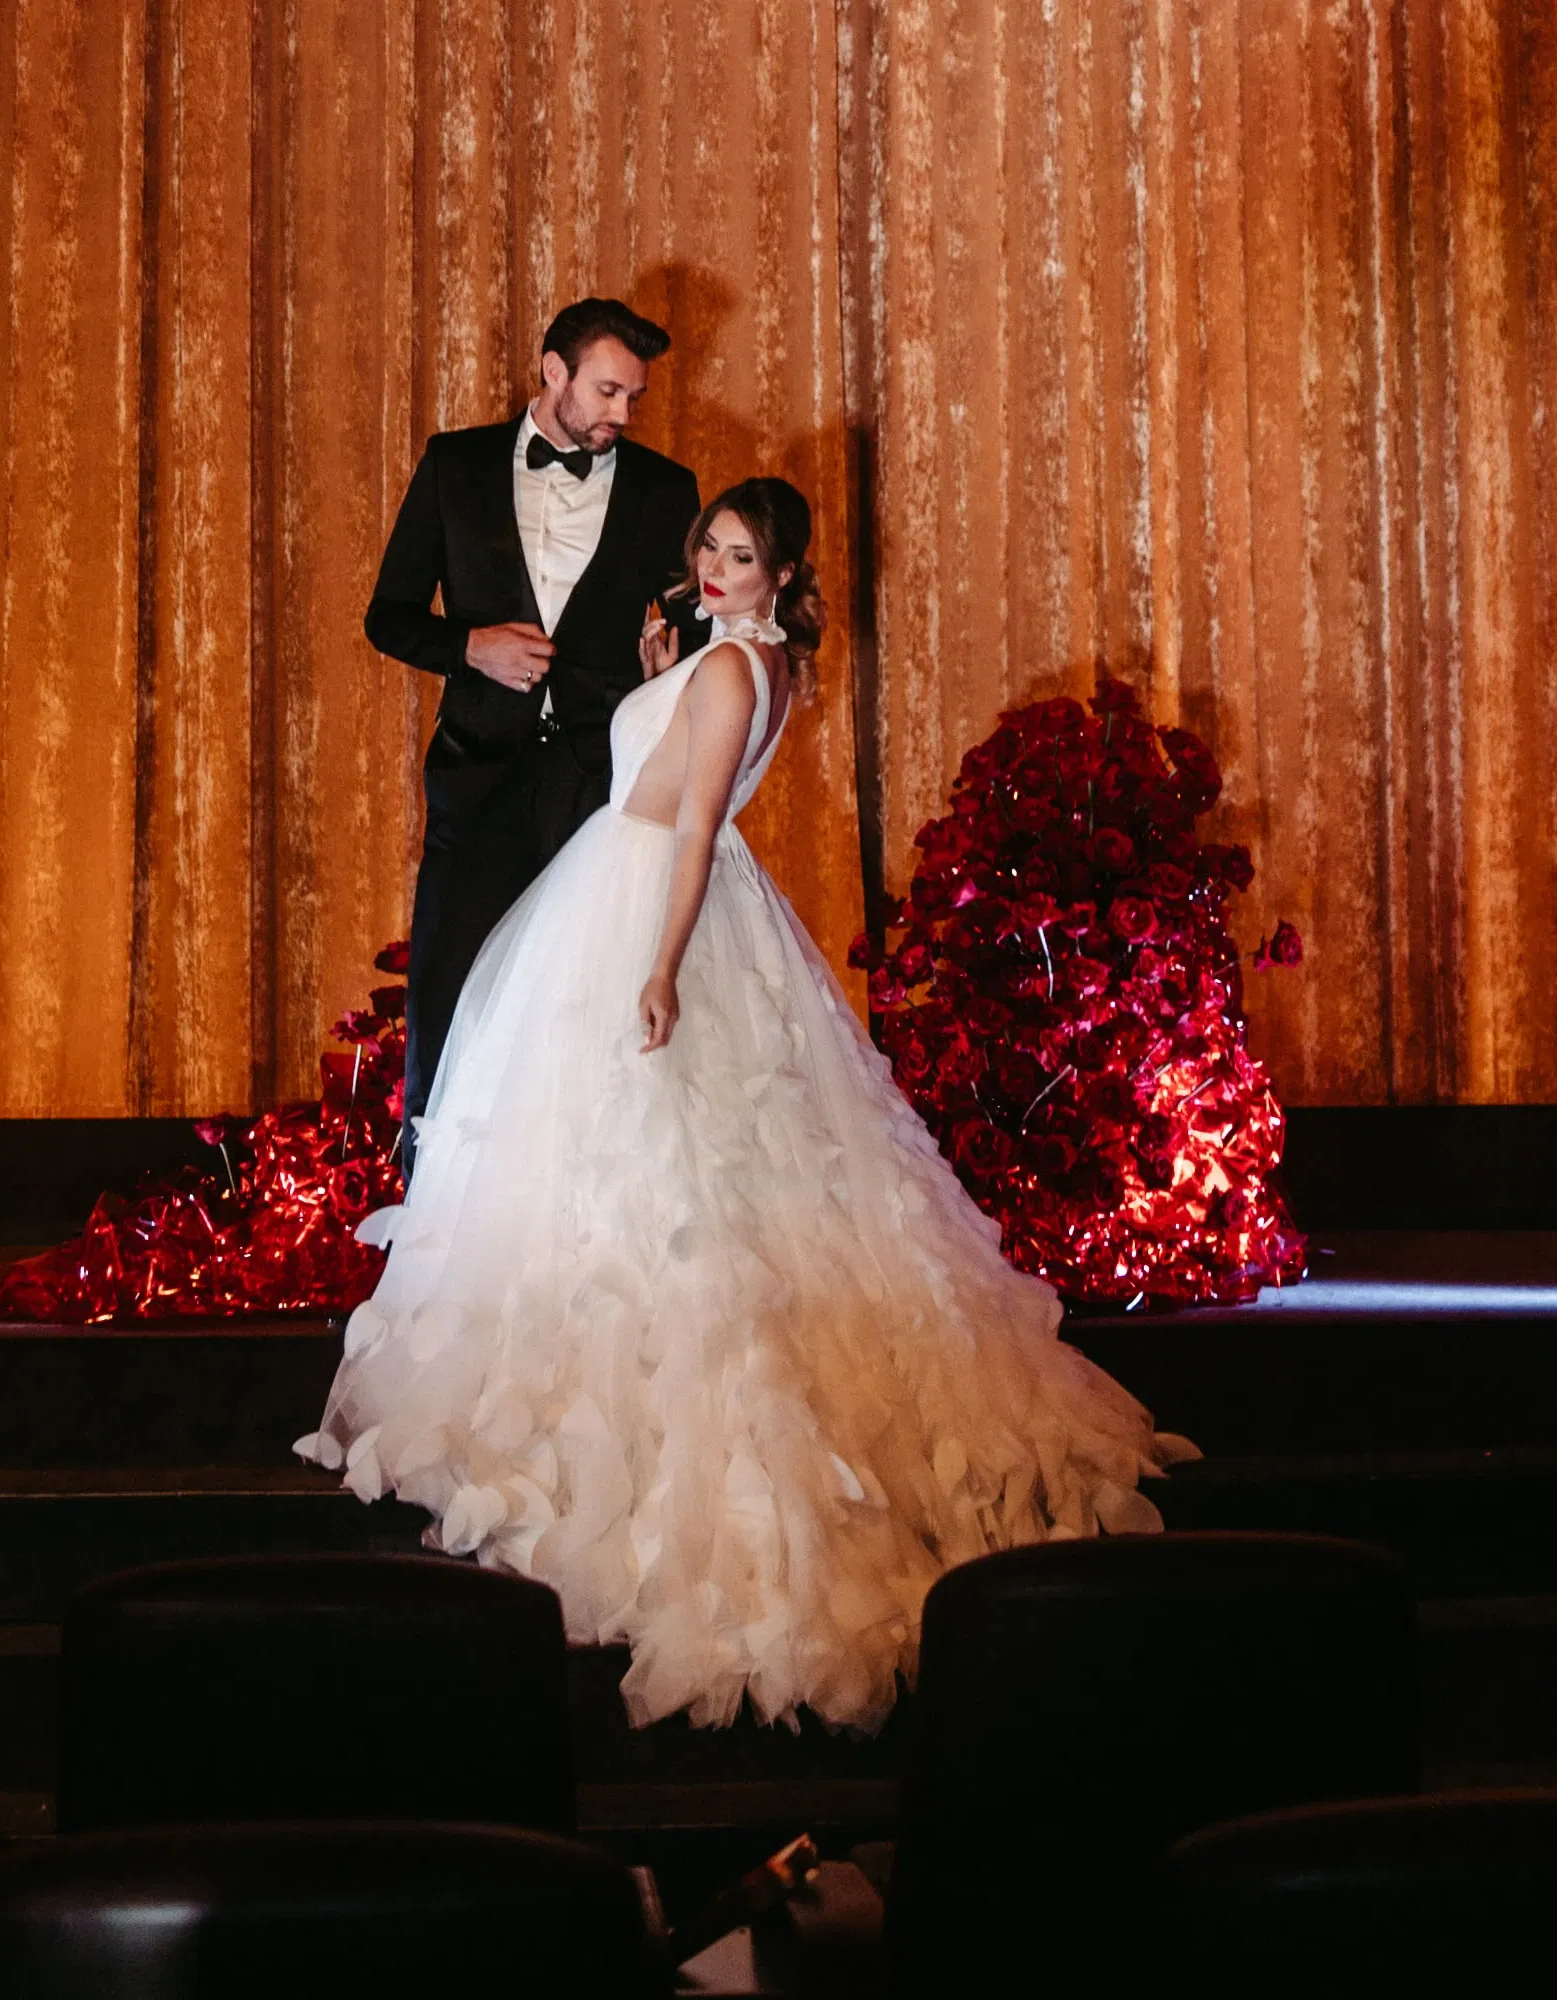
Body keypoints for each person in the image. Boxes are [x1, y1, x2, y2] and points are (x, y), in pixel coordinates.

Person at [301, 479, 1195, 1735]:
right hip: (660, 884)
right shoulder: (751, 662)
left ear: (780, 574)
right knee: (697, 1166)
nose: (715, 566)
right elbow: (688, 770)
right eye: (708, 547)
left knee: (648, 1171)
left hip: (645, 902)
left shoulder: (733, 675)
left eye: (740, 556)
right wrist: (672, 670)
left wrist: (657, 965)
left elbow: (689, 826)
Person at [366, 297, 705, 1176]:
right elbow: (388, 616)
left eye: (632, 397)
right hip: (478, 772)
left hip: (603, 785)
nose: (621, 416)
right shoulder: (455, 466)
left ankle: (580, 1200)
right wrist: (468, 646)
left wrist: (669, 661)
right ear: (551, 371)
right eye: (605, 390)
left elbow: (691, 622)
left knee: (587, 998)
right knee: (450, 989)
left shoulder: (667, 489)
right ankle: (433, 1198)